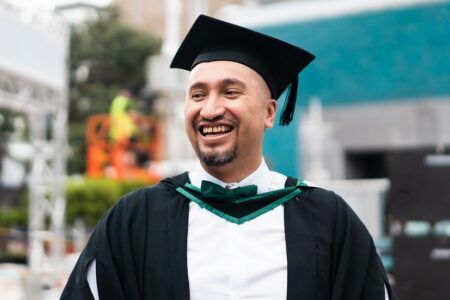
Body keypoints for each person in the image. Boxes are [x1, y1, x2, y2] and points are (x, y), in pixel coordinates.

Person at [61, 15, 396, 300]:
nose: (210, 109)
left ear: (269, 112)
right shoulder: (134, 220)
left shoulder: (329, 220)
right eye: (197, 94)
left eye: (230, 92)